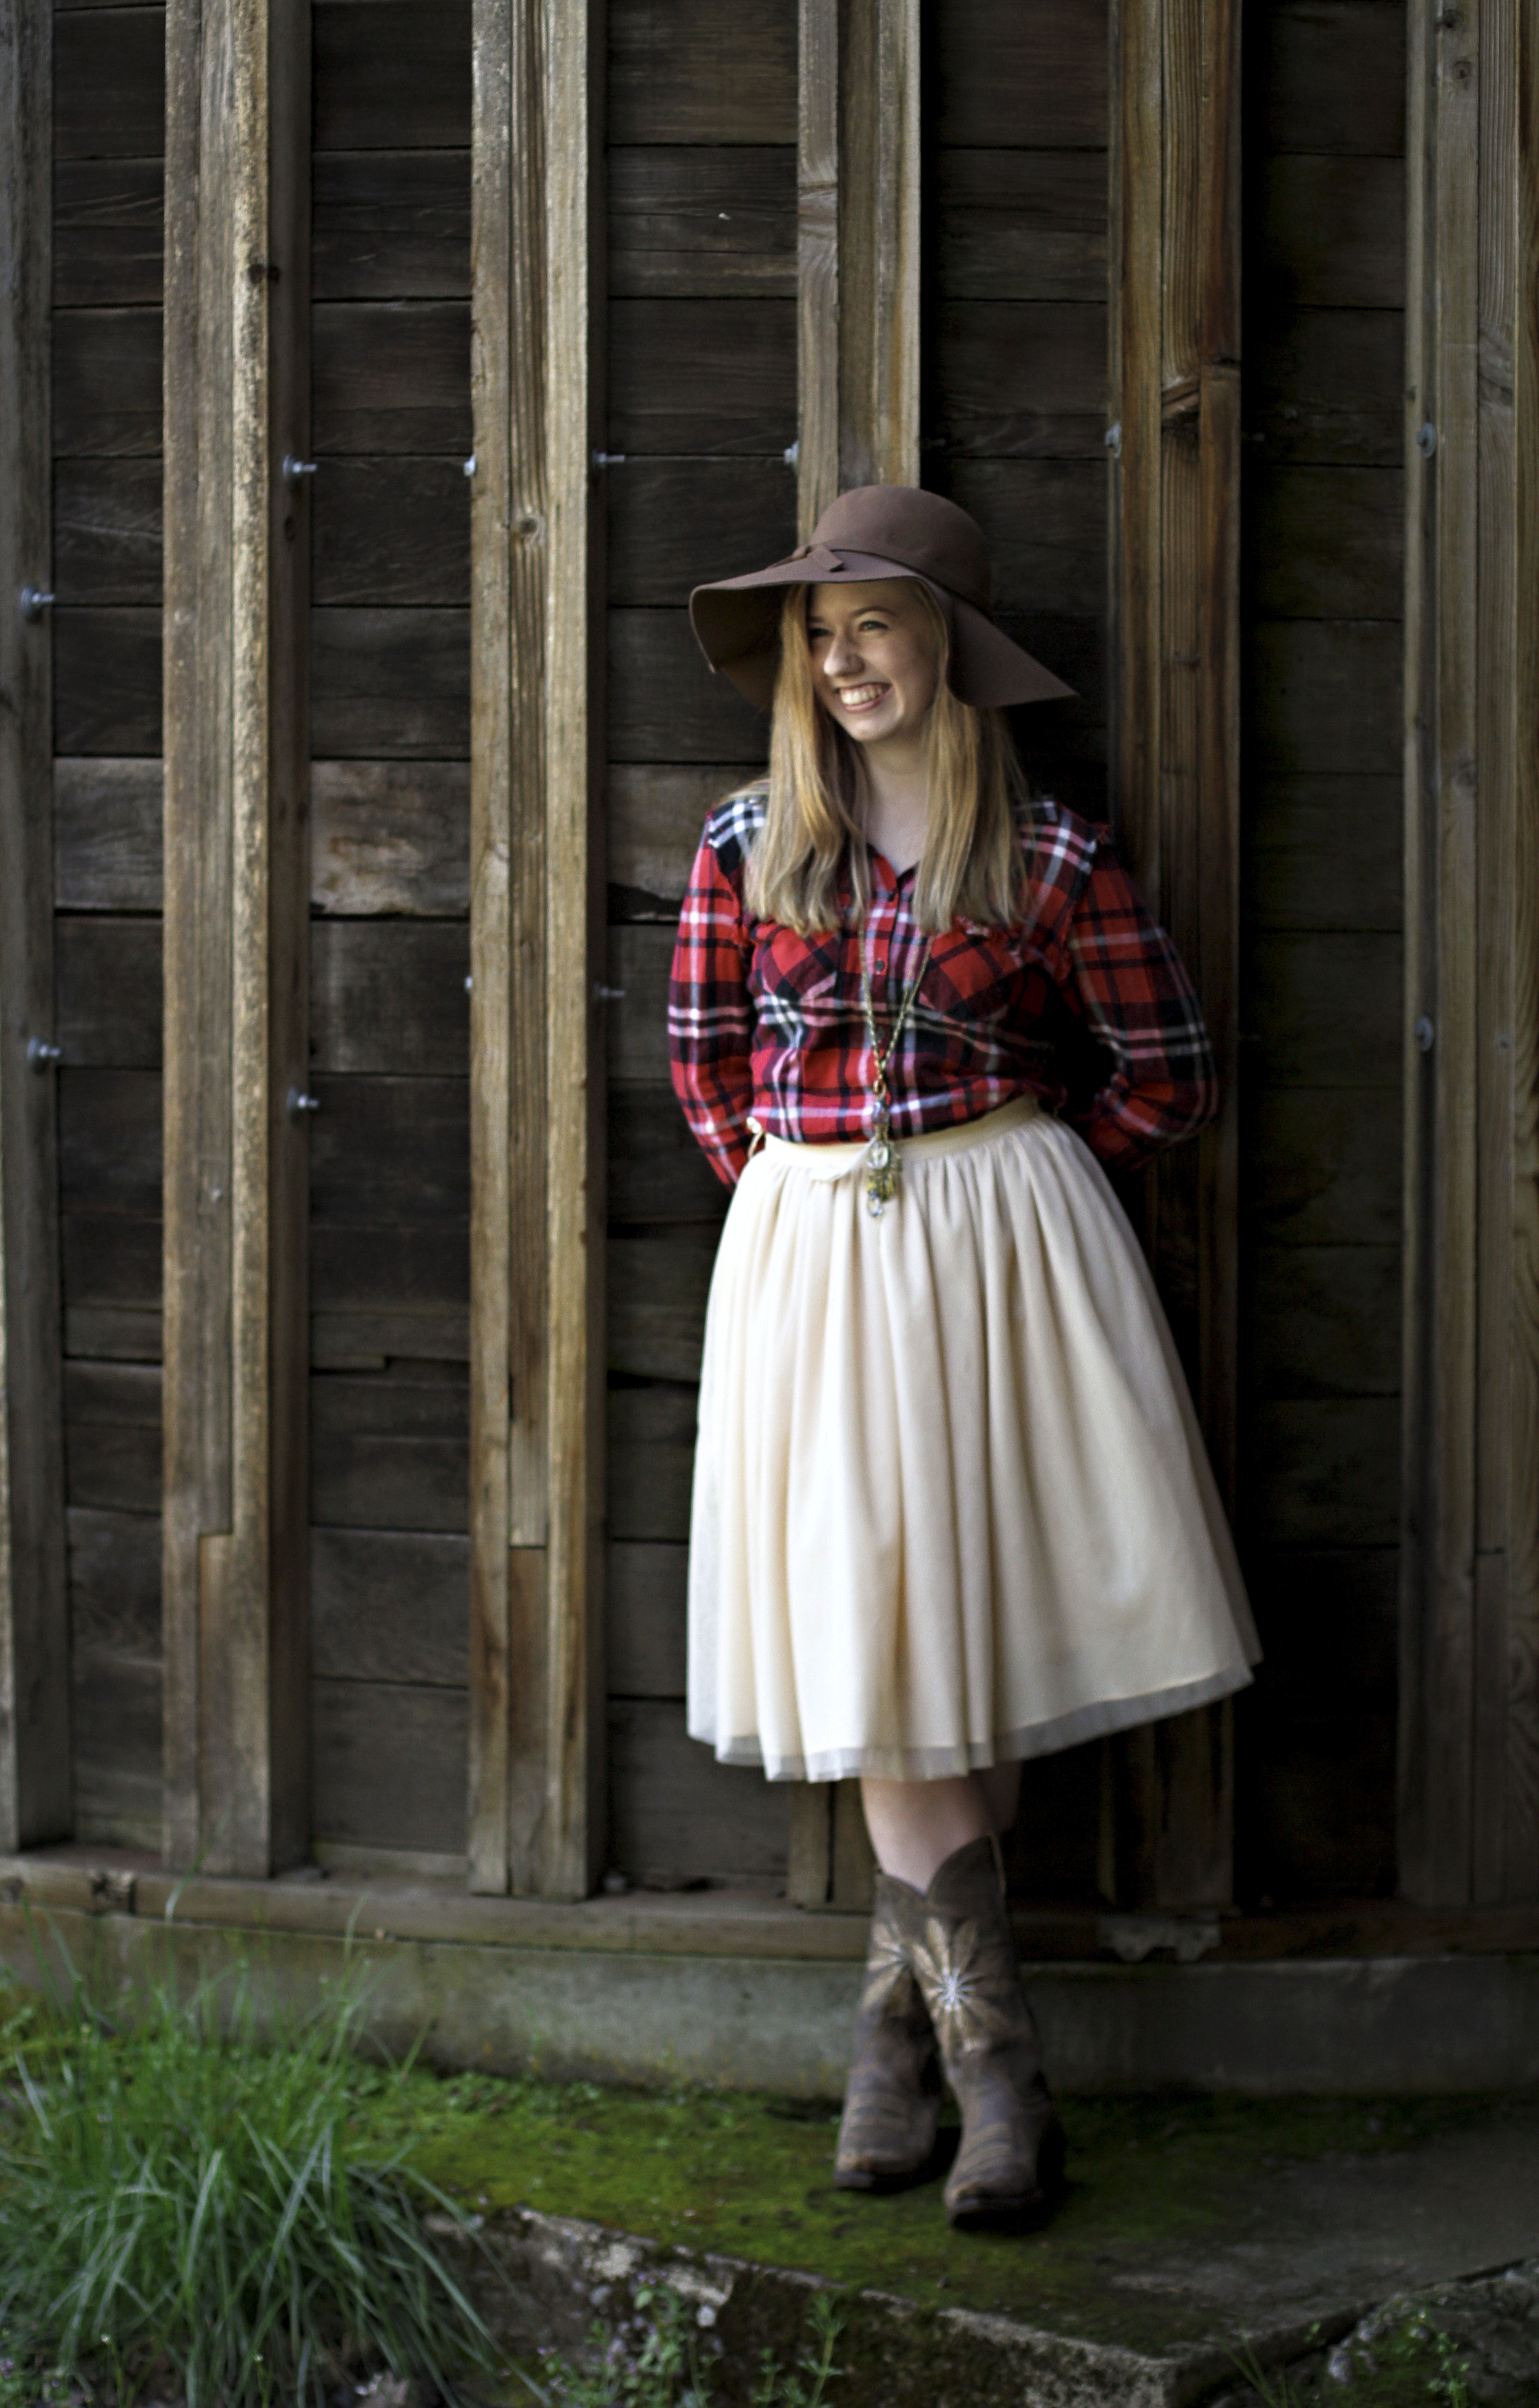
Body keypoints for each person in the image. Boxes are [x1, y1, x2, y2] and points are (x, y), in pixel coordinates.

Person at [668, 486, 1260, 2228]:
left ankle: (895, 2044)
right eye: (821, 634)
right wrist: (814, 1204)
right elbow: (708, 1075)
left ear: (949, 646)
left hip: (1007, 1257)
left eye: (876, 624)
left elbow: (1170, 1072)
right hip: (816, 1266)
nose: (846, 661)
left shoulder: (1052, 854)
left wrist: (1024, 1175)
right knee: (882, 1640)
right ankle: (996, 2074)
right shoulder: (747, 843)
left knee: (968, 1644)